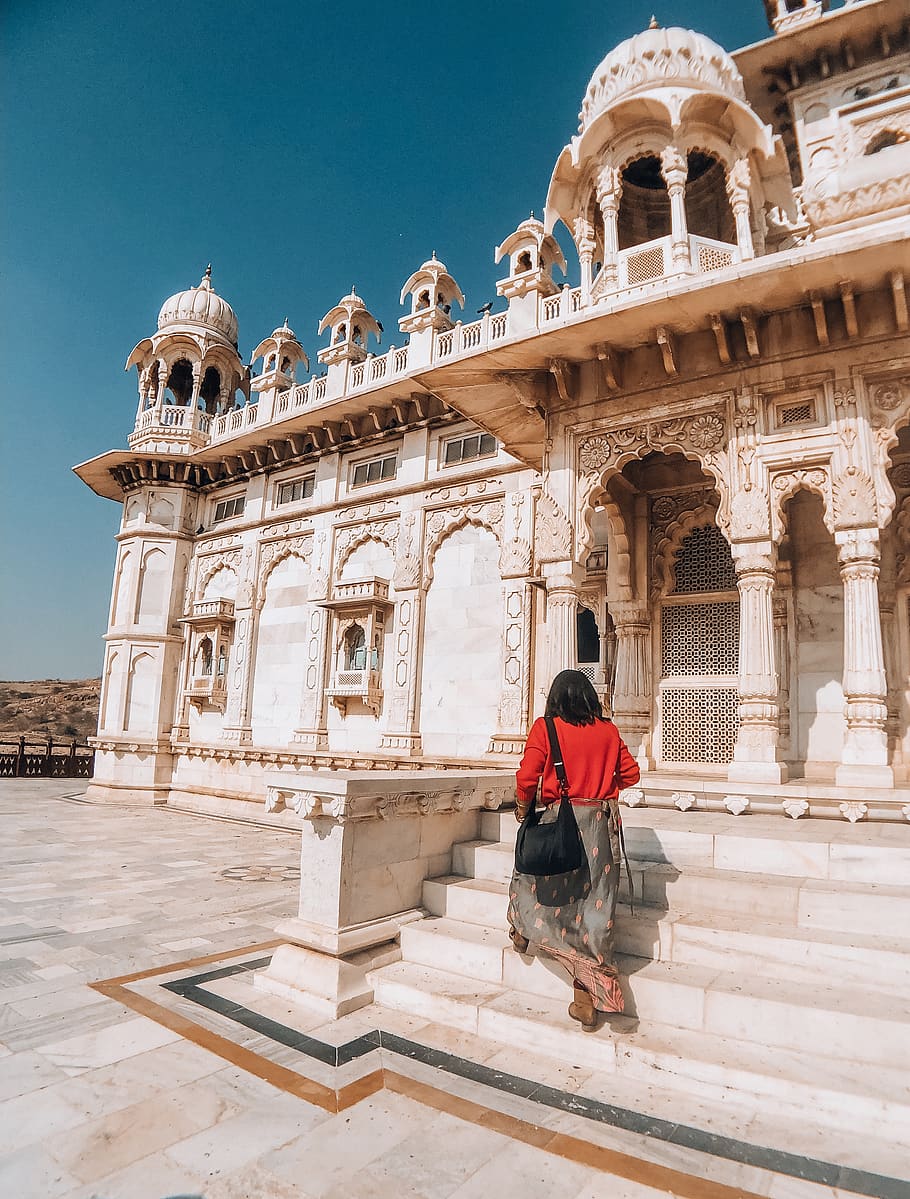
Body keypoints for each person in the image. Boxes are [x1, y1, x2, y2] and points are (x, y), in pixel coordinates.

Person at [507, 669, 641, 1029]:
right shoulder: (608, 730)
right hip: (598, 827)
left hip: (559, 821)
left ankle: (522, 930)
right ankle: (586, 997)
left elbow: (526, 778)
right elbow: (631, 774)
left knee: (534, 881)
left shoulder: (546, 728)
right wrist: (602, 782)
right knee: (593, 904)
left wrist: (523, 807)